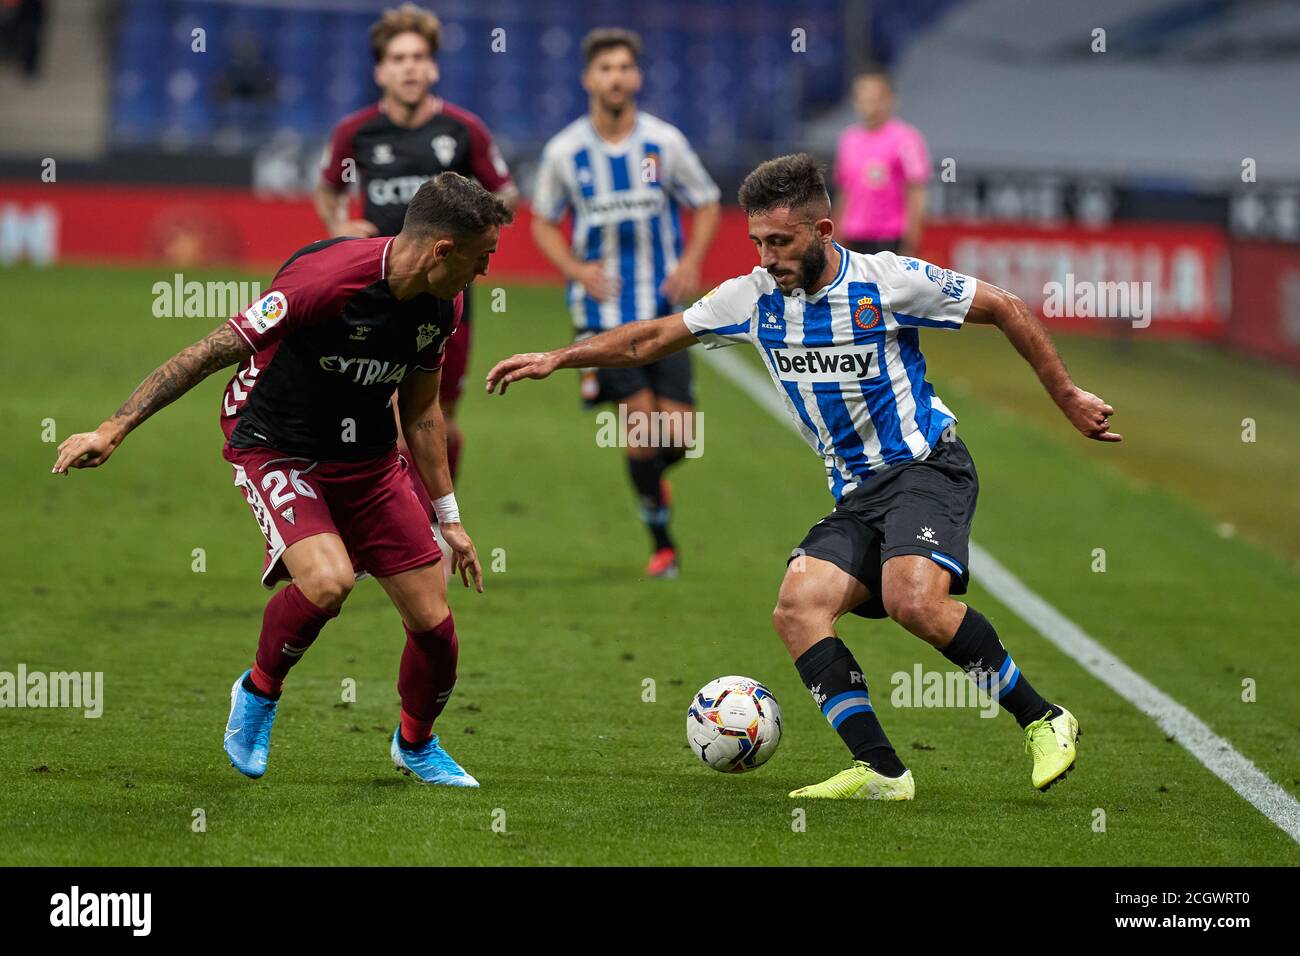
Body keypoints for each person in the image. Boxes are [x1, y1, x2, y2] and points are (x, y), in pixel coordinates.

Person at [487, 154, 1121, 799]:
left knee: (912, 600)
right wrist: (556, 358)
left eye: (781, 242)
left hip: (926, 466)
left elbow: (1005, 307)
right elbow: (648, 339)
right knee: (798, 608)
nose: (767, 257)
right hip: (857, 493)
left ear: (823, 231)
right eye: (757, 242)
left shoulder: (888, 281)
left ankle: (1043, 718)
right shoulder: (751, 299)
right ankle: (882, 772)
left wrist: (1066, 395)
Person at [53, 173, 513, 788]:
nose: (484, 274)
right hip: (277, 447)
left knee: (436, 626)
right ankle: (257, 694)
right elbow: (210, 350)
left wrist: (450, 518)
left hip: (369, 461)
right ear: (441, 251)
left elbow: (424, 411)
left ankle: (416, 744)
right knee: (328, 583)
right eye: (482, 258)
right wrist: (115, 427)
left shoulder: (441, 303)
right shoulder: (326, 282)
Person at [531, 27, 721, 579]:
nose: (616, 77)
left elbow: (707, 202)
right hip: (603, 315)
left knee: (678, 436)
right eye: (605, 68)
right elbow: (543, 220)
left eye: (624, 68)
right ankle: (663, 543)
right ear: (589, 79)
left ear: (637, 77)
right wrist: (574, 269)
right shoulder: (565, 151)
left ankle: (648, 477)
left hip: (665, 311)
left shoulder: (664, 142)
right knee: (641, 427)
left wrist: (690, 264)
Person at [316, 3, 518, 489]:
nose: (409, 67)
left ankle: (435, 524)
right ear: (381, 70)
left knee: (437, 420)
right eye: (398, 58)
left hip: (448, 293)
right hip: (380, 291)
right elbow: (328, 188)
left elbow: (506, 193)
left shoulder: (463, 131)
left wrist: (476, 223)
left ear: (433, 67)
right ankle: (402, 534)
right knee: (385, 419)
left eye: (418, 57)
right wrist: (341, 222)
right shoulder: (356, 132)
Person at [833, 68, 930, 256]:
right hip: (854, 236)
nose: (868, 105)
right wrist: (838, 232)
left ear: (890, 100)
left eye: (874, 98)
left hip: (890, 237)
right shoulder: (848, 139)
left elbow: (916, 192)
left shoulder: (906, 139)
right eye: (862, 98)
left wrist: (912, 240)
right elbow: (844, 190)